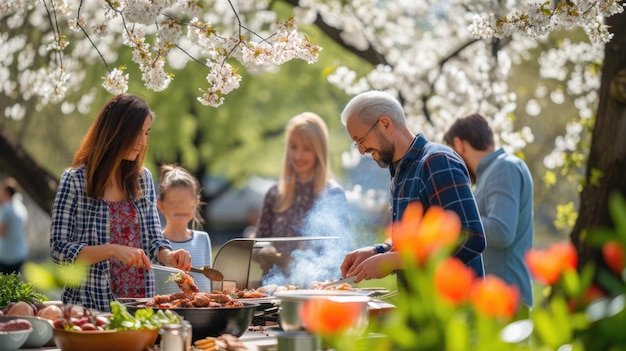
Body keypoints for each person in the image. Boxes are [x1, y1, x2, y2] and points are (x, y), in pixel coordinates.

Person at [50, 94, 191, 312]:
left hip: (140, 308)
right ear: (116, 131)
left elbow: (154, 240)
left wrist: (169, 256)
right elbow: (59, 251)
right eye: (137, 133)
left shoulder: (142, 178)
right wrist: (112, 250)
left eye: (146, 133)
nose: (143, 142)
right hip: (89, 311)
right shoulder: (75, 180)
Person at [339, 90, 486, 287]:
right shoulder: (401, 172)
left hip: (453, 312)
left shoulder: (436, 161)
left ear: (385, 124)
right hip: (421, 311)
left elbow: (470, 238)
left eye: (361, 140)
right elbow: (420, 239)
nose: (361, 150)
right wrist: (378, 251)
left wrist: (393, 261)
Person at [443, 113, 534, 307]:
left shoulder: (503, 168)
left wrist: (452, 221)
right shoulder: (495, 171)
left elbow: (501, 233)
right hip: (497, 298)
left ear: (459, 144)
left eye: (451, 152)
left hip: (505, 299)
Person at [251, 112, 346, 276]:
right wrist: (265, 250)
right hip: (273, 286)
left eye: (307, 149)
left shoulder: (332, 194)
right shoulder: (275, 193)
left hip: (317, 287)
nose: (298, 155)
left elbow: (341, 251)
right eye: (293, 147)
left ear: (319, 151)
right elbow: (256, 245)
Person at [155, 164, 213, 294]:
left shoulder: (203, 239)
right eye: (174, 203)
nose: (180, 208)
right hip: (165, 312)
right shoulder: (156, 244)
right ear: (161, 205)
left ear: (195, 204)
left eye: (186, 203)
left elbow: (207, 284)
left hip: (200, 311)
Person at [0, 177, 29, 275]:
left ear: (6, 192)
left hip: (7, 256)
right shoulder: (21, 207)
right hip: (20, 253)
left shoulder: (6, 209)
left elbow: (2, 232)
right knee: (16, 285)